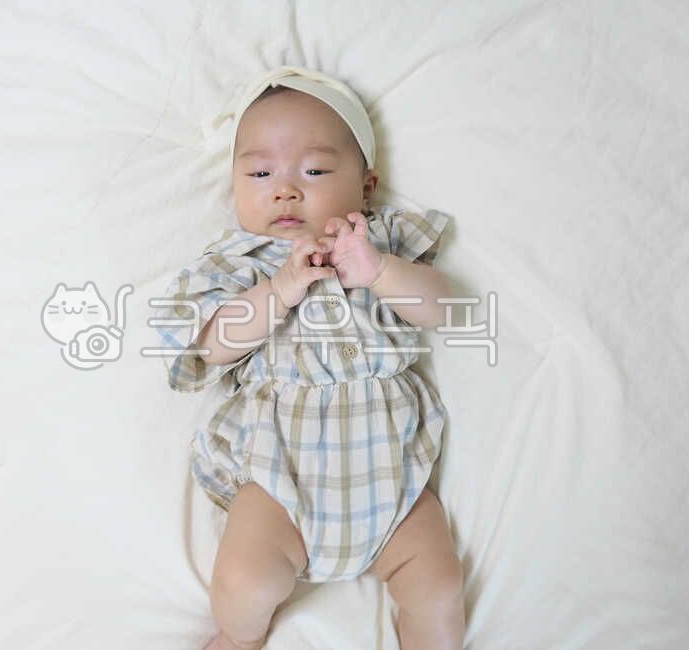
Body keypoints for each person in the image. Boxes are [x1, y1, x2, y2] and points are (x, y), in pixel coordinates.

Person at [154, 65, 466, 650]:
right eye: (261, 172)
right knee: (244, 579)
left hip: (393, 479)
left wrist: (377, 271)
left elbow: (446, 307)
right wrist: (278, 291)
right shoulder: (242, 262)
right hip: (280, 479)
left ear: (367, 187)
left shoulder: (383, 241)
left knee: (439, 585)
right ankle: (238, 639)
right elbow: (210, 344)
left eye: (315, 170)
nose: (285, 188)